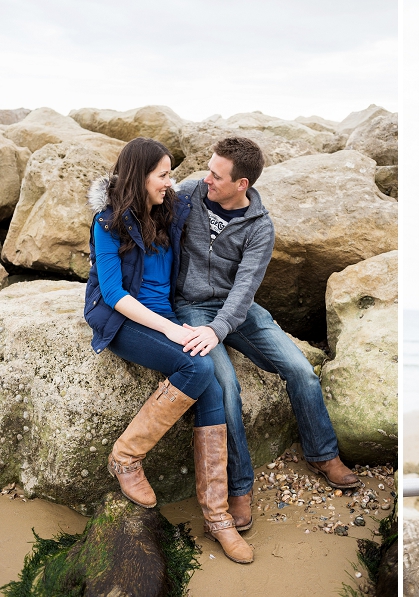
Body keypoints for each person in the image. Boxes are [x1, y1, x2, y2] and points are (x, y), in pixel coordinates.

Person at [171, 136, 360, 532]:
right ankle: (239, 488)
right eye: (208, 169)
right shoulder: (190, 192)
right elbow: (146, 208)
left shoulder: (260, 227)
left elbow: (245, 289)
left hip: (238, 311)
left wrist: (217, 329)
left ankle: (322, 453)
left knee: (301, 370)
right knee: (226, 390)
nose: (206, 179)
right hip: (191, 307)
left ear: (242, 184)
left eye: (217, 176)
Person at [84, 137, 253, 564]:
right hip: (124, 319)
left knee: (211, 386)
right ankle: (126, 457)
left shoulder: (172, 208)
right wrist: (174, 331)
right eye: (163, 174)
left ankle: (218, 518)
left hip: (168, 314)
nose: (170, 181)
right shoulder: (107, 222)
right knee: (197, 373)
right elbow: (115, 294)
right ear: (139, 177)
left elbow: (226, 195)